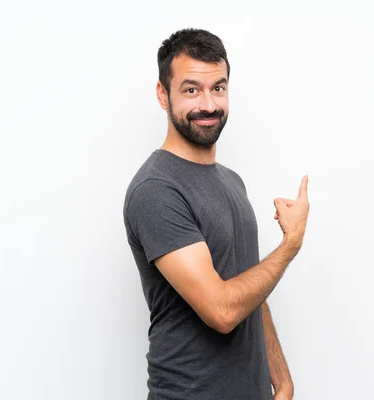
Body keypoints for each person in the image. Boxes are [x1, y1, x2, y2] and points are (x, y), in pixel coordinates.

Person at [123, 28, 310, 400]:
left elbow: (248, 286)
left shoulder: (230, 181)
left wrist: (281, 380)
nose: (208, 104)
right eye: (191, 89)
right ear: (164, 95)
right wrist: (290, 244)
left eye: (218, 88)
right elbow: (222, 312)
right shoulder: (157, 189)